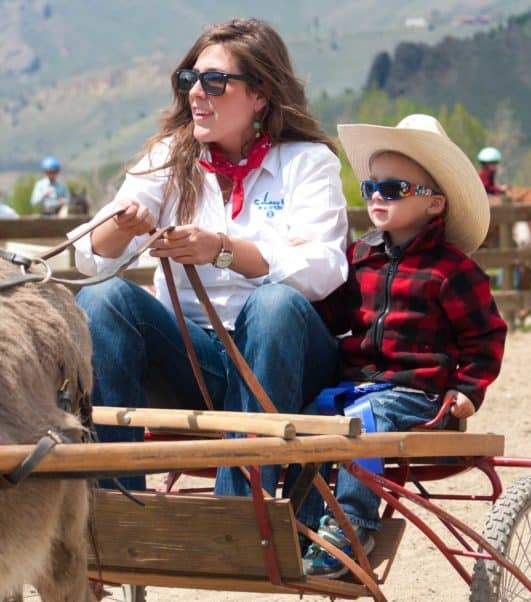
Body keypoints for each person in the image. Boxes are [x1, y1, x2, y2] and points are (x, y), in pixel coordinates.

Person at [69, 18, 348, 532]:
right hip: (195, 359)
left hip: (284, 355)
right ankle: (115, 509)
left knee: (275, 303)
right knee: (104, 297)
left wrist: (223, 251)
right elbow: (92, 255)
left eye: (215, 82)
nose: (197, 93)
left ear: (260, 95)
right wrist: (120, 227)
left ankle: (238, 511)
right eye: (189, 79)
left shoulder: (308, 163)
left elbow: (323, 269)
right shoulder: (169, 158)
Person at [303, 114, 508, 578]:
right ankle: (305, 519)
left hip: (417, 393)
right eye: (371, 187)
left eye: (394, 189)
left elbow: (485, 336)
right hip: (356, 384)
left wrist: (468, 389)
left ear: (434, 204)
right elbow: (330, 316)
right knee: (309, 418)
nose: (377, 196)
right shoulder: (358, 257)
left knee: (364, 420)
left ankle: (351, 525)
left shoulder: (451, 271)